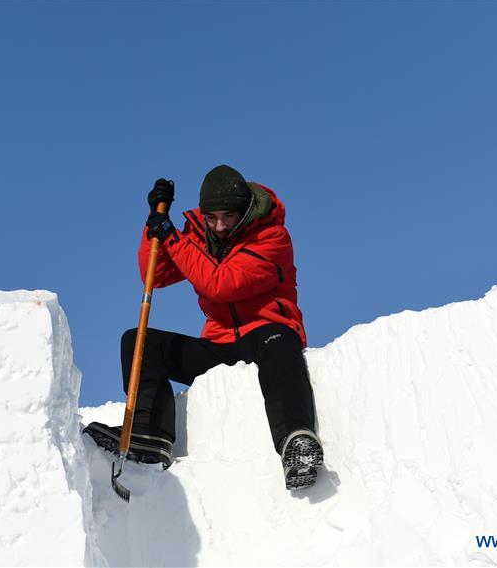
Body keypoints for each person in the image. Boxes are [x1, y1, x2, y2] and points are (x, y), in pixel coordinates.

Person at [84, 164, 323, 490]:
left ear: (246, 211)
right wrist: (154, 223)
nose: (220, 226)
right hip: (219, 345)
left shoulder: (273, 238)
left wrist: (173, 237)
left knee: (282, 344)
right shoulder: (201, 234)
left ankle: (297, 442)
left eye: (228, 216)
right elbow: (156, 274)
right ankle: (149, 435)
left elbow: (221, 284)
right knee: (139, 341)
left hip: (266, 334)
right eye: (212, 218)